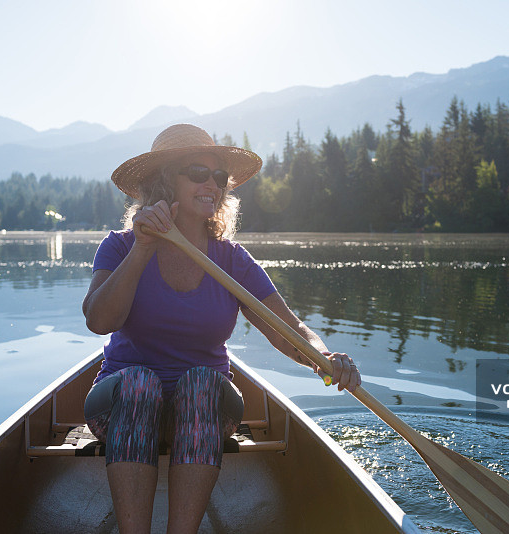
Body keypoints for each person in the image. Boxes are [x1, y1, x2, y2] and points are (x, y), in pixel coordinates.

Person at [82, 123, 361, 534]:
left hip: (204, 409)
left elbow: (289, 329)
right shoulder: (121, 246)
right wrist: (143, 248)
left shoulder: (232, 260)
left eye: (219, 176)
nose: (211, 183)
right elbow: (98, 320)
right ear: (164, 181)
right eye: (197, 172)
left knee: (201, 382)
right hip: (121, 406)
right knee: (139, 382)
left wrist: (325, 358)